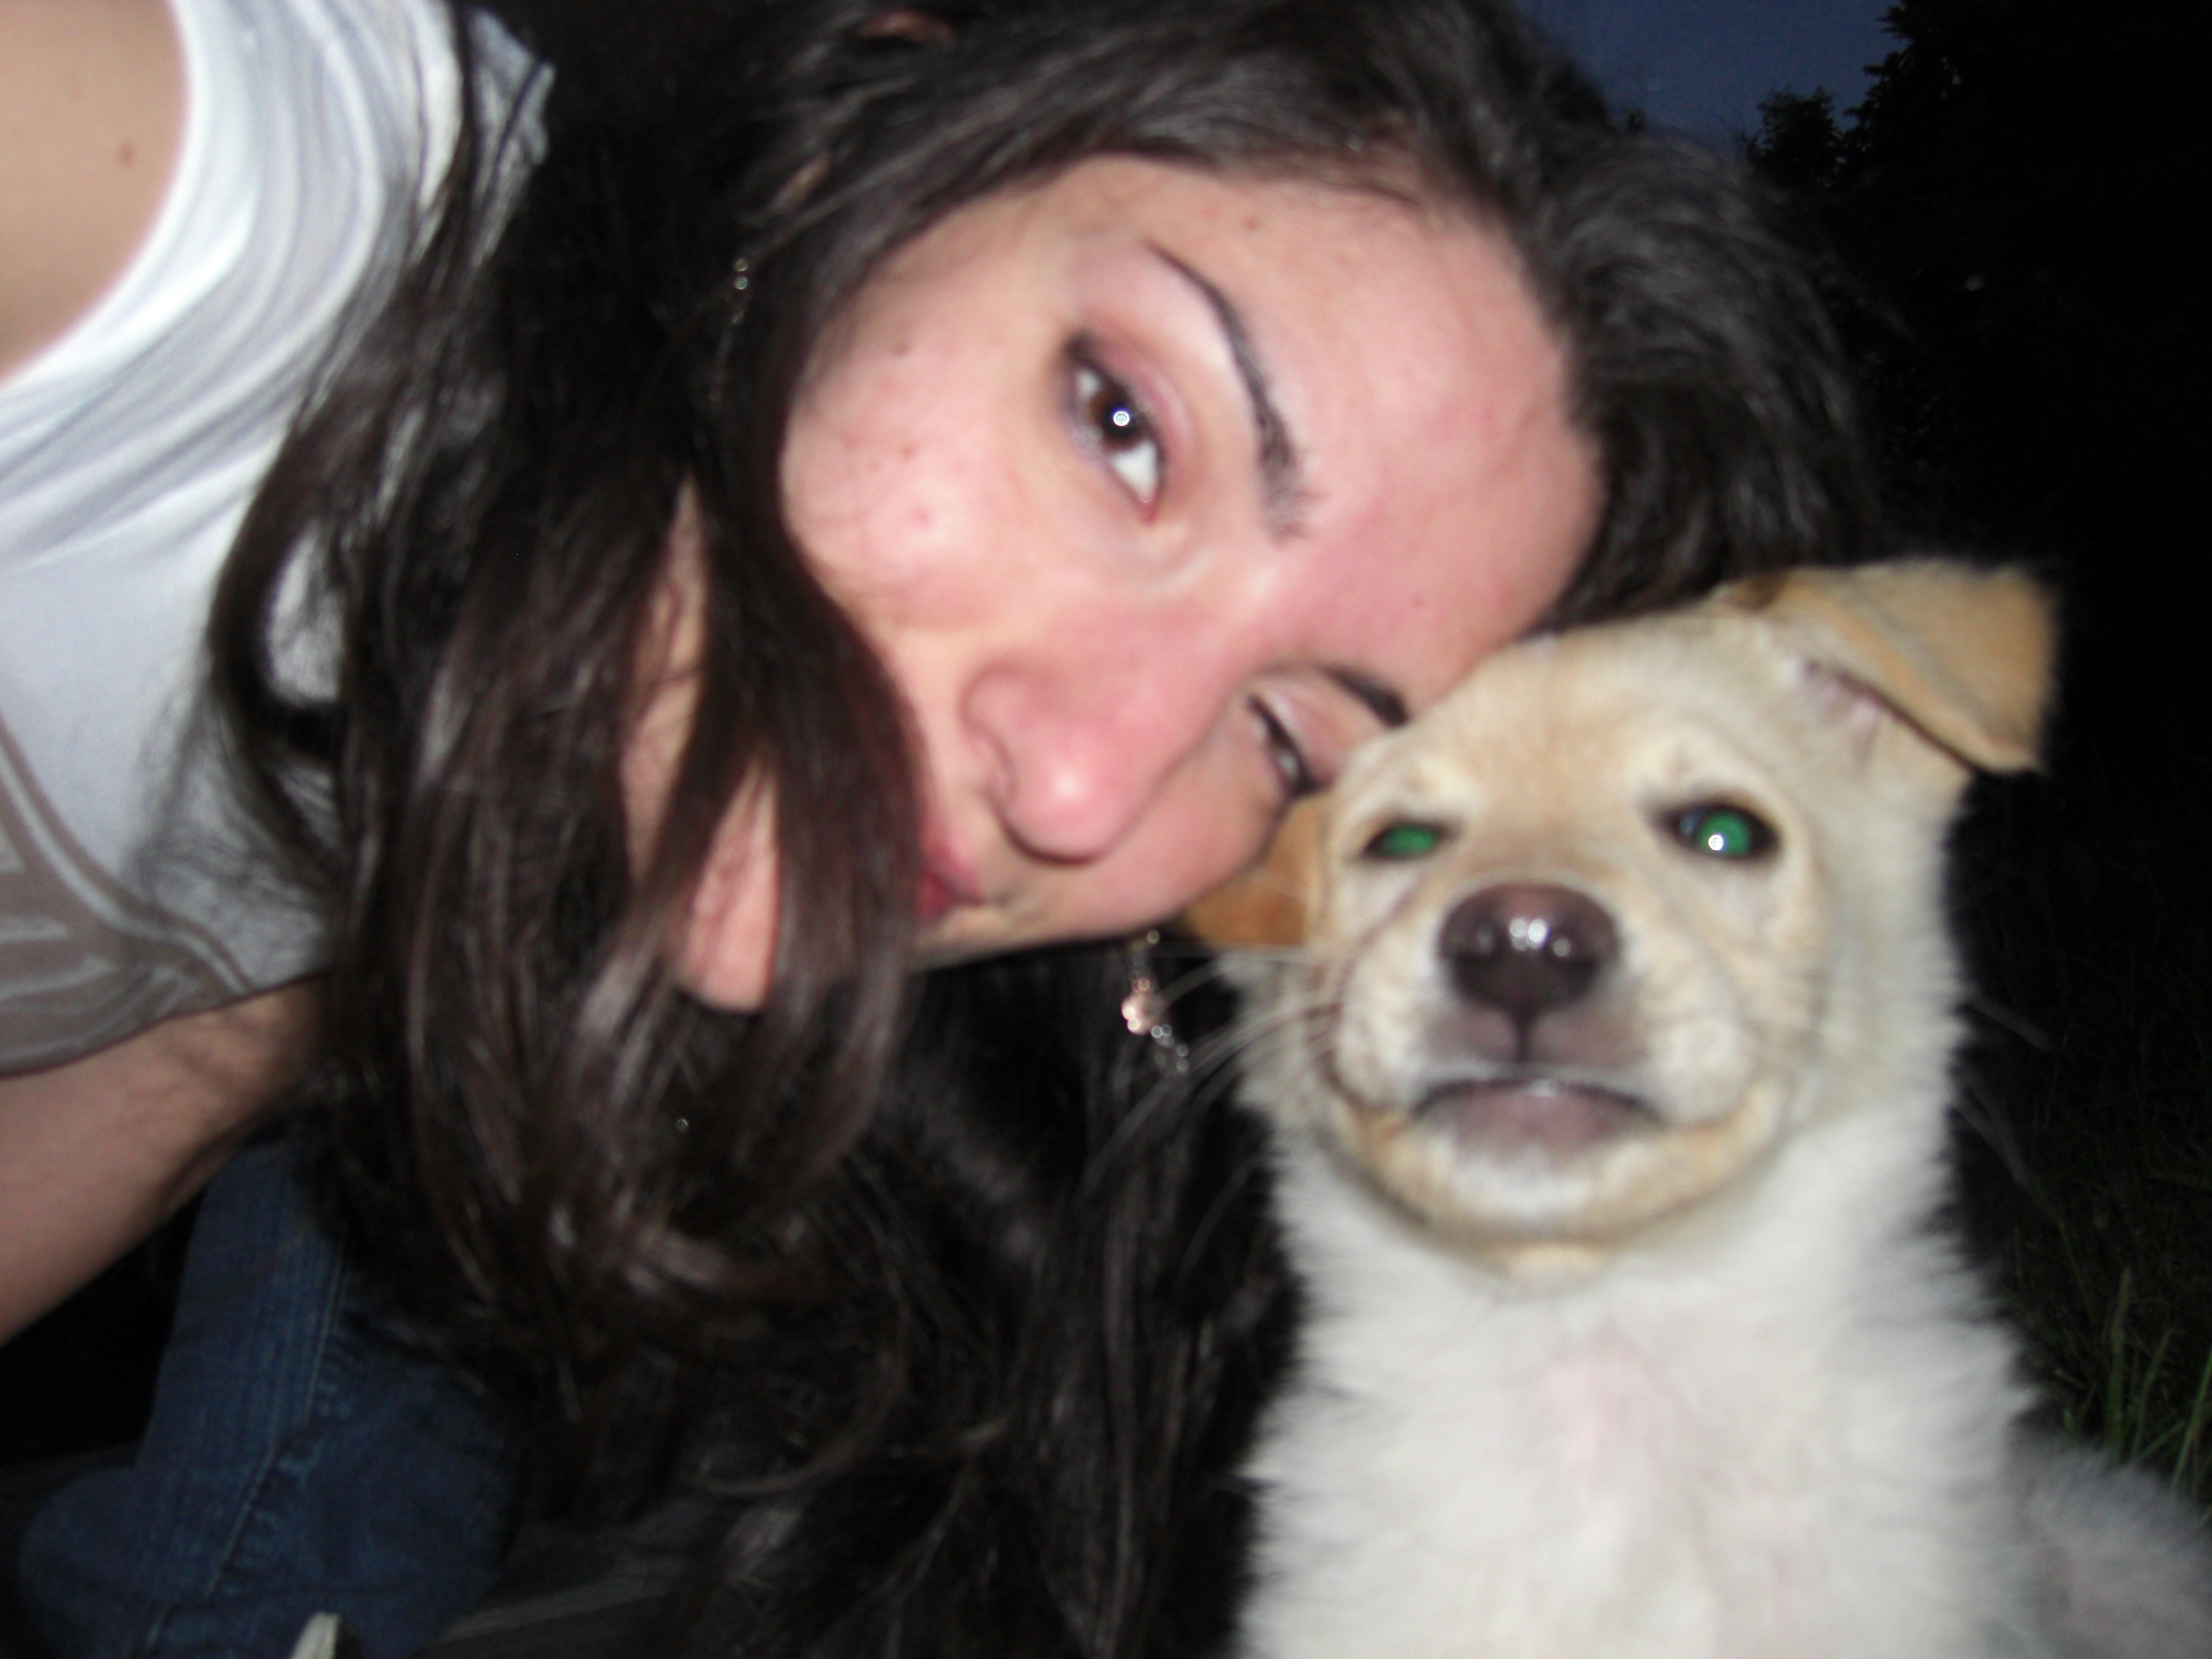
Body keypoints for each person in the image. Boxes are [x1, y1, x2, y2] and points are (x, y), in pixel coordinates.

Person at [0, 0, 1875, 1650]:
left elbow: (138, 1105)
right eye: (1125, 428)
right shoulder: (221, 210)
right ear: (850, 155)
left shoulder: (450, 814)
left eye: (1287, 740)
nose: (1084, 790)